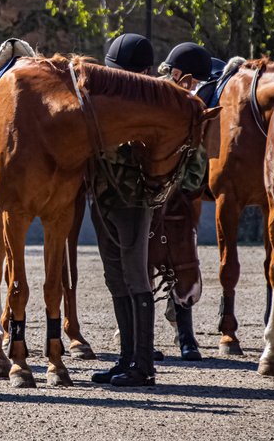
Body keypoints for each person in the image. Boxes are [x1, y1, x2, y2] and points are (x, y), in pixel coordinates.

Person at [90, 33, 160, 387]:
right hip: (102, 198)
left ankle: (143, 365)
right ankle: (126, 357)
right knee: (115, 277)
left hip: (132, 200)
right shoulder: (108, 101)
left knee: (135, 277)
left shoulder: (153, 105)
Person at [158, 42, 212, 362]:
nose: (196, 89)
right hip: (153, 196)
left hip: (171, 196)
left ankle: (186, 335)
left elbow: (198, 159)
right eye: (195, 82)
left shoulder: (190, 105)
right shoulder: (151, 98)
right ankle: (180, 340)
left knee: (182, 262)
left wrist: (185, 189)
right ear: (182, 76)